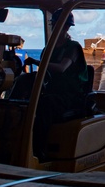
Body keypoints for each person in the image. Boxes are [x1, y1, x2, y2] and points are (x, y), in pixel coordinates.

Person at [21, 10, 92, 158]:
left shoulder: (72, 47)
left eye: (60, 25)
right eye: (54, 24)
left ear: (67, 27)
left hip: (70, 95)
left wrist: (36, 62)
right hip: (52, 91)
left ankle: (38, 149)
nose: (56, 28)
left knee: (44, 106)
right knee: (22, 101)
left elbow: (61, 68)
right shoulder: (50, 48)